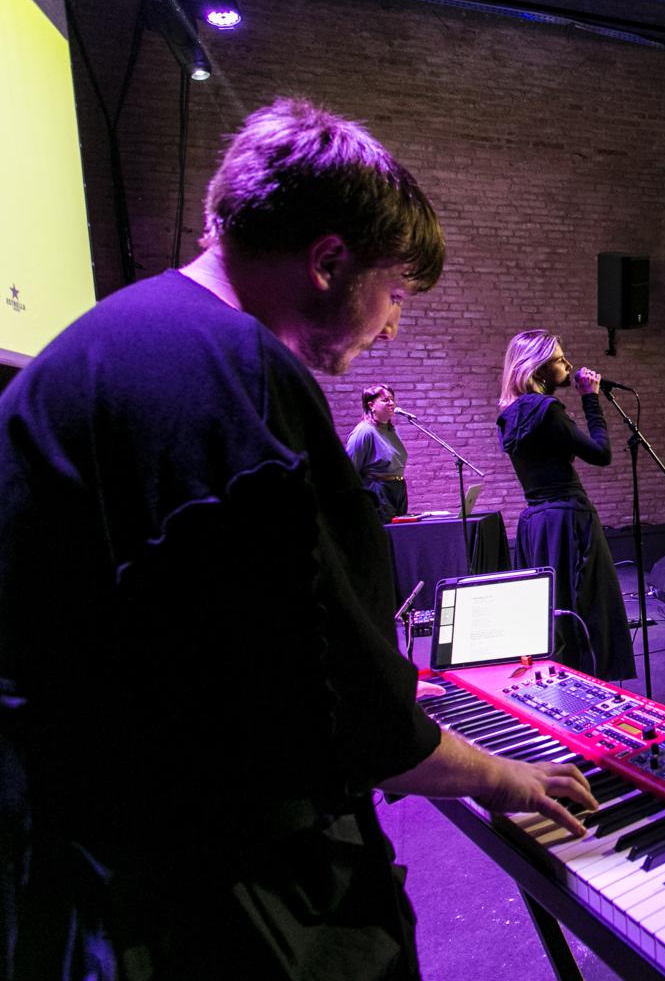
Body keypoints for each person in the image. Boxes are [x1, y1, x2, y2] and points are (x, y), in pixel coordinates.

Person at [0, 99, 595, 980]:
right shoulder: (241, 375)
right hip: (206, 905)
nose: (391, 325)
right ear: (327, 262)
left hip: (75, 882)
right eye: (395, 295)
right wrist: (505, 777)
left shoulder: (103, 346)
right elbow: (344, 706)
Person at [497, 330, 634, 680]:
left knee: (552, 612)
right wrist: (591, 399)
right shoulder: (547, 410)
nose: (569, 365)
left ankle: (559, 685)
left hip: (536, 523)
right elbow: (600, 454)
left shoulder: (510, 413)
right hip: (569, 517)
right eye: (560, 359)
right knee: (588, 607)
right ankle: (590, 687)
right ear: (539, 368)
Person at [345, 382, 408, 521]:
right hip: (378, 490)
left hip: (398, 488)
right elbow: (350, 469)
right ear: (371, 405)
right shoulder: (364, 431)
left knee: (401, 530)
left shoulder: (391, 430)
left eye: (392, 399)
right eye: (385, 400)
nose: (391, 403)